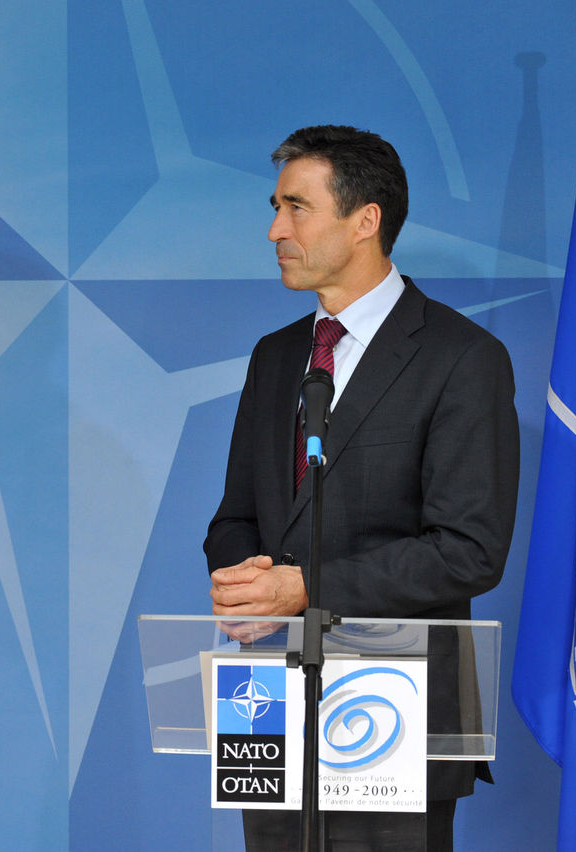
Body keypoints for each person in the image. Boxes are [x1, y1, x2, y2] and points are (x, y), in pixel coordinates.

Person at [204, 125, 519, 850]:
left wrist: (306, 589)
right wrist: (244, 579)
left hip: (393, 712)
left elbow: (468, 551)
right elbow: (237, 516)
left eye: (296, 207)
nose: (275, 229)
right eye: (276, 208)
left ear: (365, 220)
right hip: (271, 709)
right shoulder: (277, 355)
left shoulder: (461, 358)